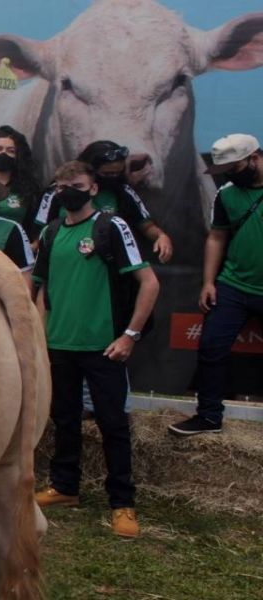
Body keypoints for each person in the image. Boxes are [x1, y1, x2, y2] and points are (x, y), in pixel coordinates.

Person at [32, 160, 160, 539]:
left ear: (92, 189)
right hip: (60, 346)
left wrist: (129, 335)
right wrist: (41, 337)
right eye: (61, 185)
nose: (67, 190)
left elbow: (149, 283)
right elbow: (38, 289)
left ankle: (122, 503)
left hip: (104, 347)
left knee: (113, 425)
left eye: (76, 184)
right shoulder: (52, 232)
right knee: (65, 419)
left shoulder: (110, 225)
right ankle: (65, 487)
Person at [170, 134, 263, 436]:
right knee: (211, 348)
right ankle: (209, 416)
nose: (230, 175)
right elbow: (217, 237)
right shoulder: (226, 194)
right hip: (233, 285)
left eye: (234, 168)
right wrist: (209, 281)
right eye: (225, 171)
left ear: (255, 157)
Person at [35, 140, 174, 263]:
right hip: (63, 258)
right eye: (107, 174)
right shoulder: (57, 191)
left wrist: (161, 236)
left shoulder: (123, 191)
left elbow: (146, 225)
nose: (113, 177)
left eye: (118, 173)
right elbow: (40, 233)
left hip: (108, 262)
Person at [0, 125, 42, 238]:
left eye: (10, 151)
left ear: (18, 156)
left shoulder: (29, 189)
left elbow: (36, 227)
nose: (3, 153)